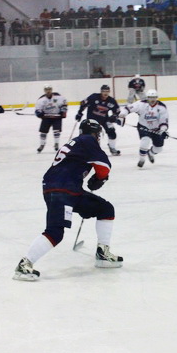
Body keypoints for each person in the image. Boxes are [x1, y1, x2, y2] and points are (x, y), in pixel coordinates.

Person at [13, 118, 123, 280]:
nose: (98, 137)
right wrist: (100, 178)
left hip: (67, 190)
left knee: (105, 209)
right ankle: (24, 265)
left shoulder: (77, 142)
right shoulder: (88, 140)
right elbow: (104, 165)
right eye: (98, 134)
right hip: (63, 190)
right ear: (94, 133)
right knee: (55, 232)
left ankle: (103, 253)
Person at [118, 89, 168, 168]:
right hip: (143, 126)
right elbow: (128, 108)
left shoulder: (162, 107)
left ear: (157, 98)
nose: (152, 100)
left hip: (156, 129)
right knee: (145, 140)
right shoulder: (141, 104)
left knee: (158, 148)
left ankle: (150, 153)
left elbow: (164, 121)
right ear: (147, 97)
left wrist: (163, 130)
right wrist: (122, 115)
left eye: (154, 97)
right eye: (150, 98)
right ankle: (142, 159)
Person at [76, 84, 121, 156]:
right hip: (92, 119)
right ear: (101, 91)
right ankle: (92, 149)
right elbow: (83, 103)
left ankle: (112, 148)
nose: (105, 93)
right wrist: (79, 113)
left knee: (112, 132)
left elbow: (117, 111)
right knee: (93, 135)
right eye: (104, 91)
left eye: (107, 91)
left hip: (105, 119)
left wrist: (114, 116)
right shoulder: (94, 97)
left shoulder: (111, 101)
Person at [34, 84, 68, 153]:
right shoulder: (41, 100)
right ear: (44, 91)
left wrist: (63, 111)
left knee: (56, 131)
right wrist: (39, 113)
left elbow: (64, 104)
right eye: (46, 90)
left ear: (51, 90)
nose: (48, 91)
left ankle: (56, 144)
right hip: (46, 118)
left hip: (57, 117)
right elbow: (38, 109)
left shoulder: (59, 97)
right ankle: (42, 145)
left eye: (49, 89)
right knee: (43, 132)